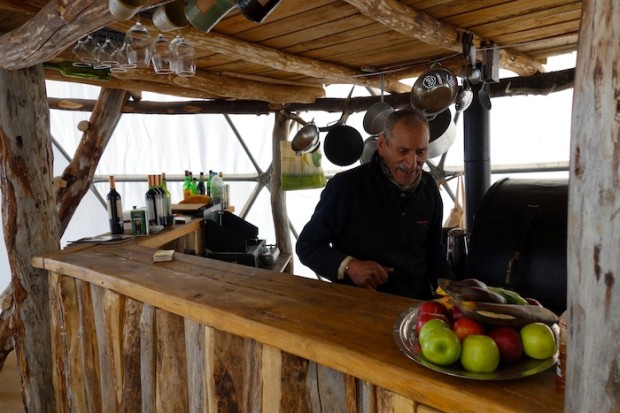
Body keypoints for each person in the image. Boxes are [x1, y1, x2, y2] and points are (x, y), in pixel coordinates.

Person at [296, 108, 454, 300]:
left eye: (420, 152)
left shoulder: (428, 187)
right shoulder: (347, 187)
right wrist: (349, 266)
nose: (412, 163)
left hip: (414, 305)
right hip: (359, 306)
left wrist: (452, 291)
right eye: (402, 151)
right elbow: (307, 246)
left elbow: (432, 250)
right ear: (381, 145)